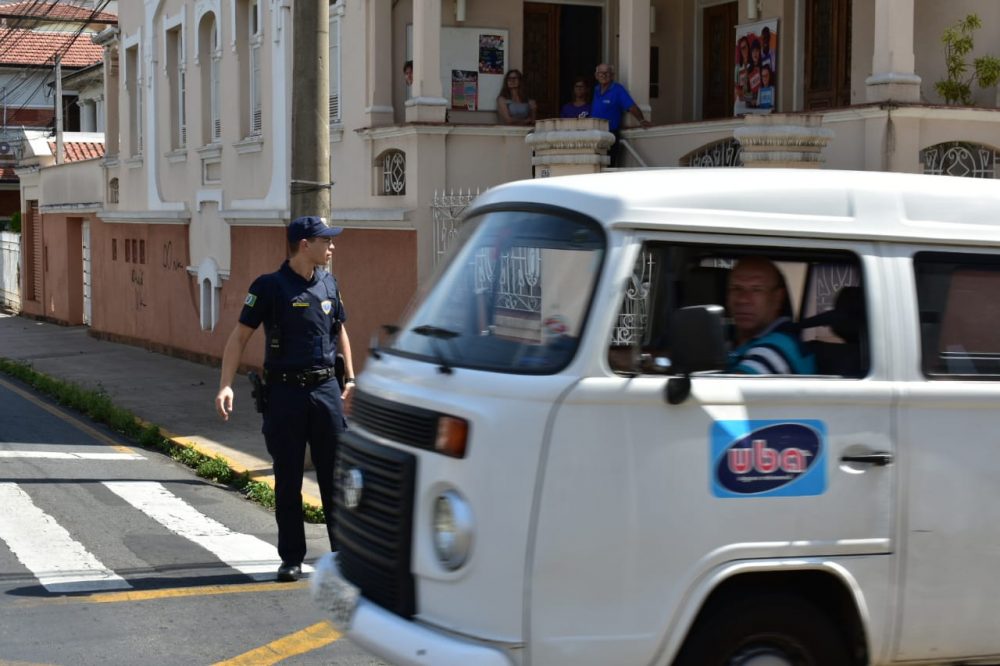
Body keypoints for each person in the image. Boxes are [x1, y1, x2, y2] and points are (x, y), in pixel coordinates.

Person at [214, 215, 356, 582]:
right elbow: (239, 337)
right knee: (288, 478)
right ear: (305, 245)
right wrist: (225, 384)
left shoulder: (329, 283)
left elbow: (340, 331)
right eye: (326, 240)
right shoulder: (269, 287)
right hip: (285, 393)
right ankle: (291, 557)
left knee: (334, 476)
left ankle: (343, 555)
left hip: (325, 390)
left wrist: (351, 379)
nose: (332, 246)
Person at [724, 256, 814, 375]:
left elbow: (733, 386)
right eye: (736, 288)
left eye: (756, 290)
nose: (743, 299)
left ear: (777, 298)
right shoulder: (726, 335)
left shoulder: (778, 347)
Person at [590, 63, 651, 166]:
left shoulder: (618, 90)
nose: (603, 75)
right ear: (596, 75)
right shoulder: (596, 89)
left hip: (609, 134)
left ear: (612, 75)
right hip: (594, 134)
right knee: (593, 165)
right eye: (601, 73)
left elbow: (631, 106)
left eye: (607, 73)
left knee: (608, 166)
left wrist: (641, 120)